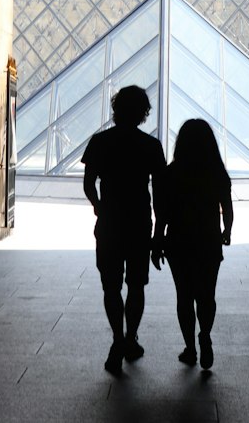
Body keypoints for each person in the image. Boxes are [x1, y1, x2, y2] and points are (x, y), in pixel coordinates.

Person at [82, 85, 167, 375]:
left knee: (111, 285)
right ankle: (131, 337)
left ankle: (117, 338)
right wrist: (160, 233)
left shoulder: (99, 141)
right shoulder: (151, 146)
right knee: (136, 284)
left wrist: (98, 205)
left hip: (109, 221)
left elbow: (88, 183)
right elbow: (160, 195)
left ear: (116, 109)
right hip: (140, 222)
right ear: (143, 113)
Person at [151, 118, 233, 370]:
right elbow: (227, 207)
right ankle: (205, 335)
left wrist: (157, 242)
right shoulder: (217, 172)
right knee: (207, 294)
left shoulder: (171, 173)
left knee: (184, 296)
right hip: (208, 240)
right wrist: (227, 231)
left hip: (178, 241)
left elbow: (161, 214)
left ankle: (190, 348)